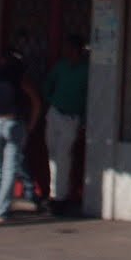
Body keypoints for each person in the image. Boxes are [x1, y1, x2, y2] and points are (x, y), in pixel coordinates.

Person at [0, 49, 41, 223]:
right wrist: (30, 125)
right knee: (9, 168)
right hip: (13, 123)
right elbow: (36, 102)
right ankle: (1, 210)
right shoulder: (20, 80)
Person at [42, 34, 89, 215]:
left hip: (72, 117)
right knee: (53, 154)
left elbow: (87, 95)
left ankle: (61, 197)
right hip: (55, 112)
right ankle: (54, 193)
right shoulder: (61, 66)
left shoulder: (85, 70)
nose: (67, 52)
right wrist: (50, 101)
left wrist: (83, 119)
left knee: (63, 156)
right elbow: (48, 85)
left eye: (70, 48)